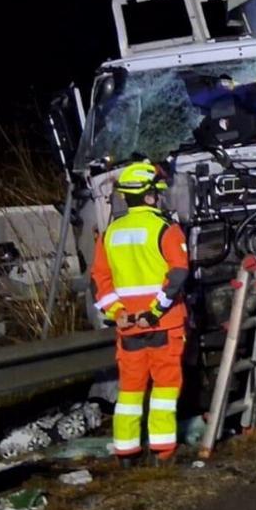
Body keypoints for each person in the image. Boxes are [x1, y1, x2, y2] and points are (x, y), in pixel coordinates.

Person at [91, 161, 189, 466]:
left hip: (128, 328)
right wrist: (155, 310)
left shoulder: (109, 234)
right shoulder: (166, 229)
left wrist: (117, 312)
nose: (160, 198)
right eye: (157, 193)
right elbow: (178, 274)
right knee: (165, 388)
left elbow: (99, 281)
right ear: (149, 196)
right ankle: (163, 451)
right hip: (164, 325)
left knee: (130, 393)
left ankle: (126, 452)